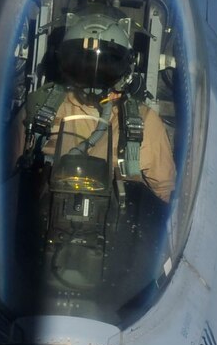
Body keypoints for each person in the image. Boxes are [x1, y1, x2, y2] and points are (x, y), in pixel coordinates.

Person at [23, 11, 175, 202]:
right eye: (82, 66)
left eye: (106, 69)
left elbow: (165, 194)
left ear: (126, 72)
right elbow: (2, 172)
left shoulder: (143, 122)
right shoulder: (42, 108)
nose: (93, 78)